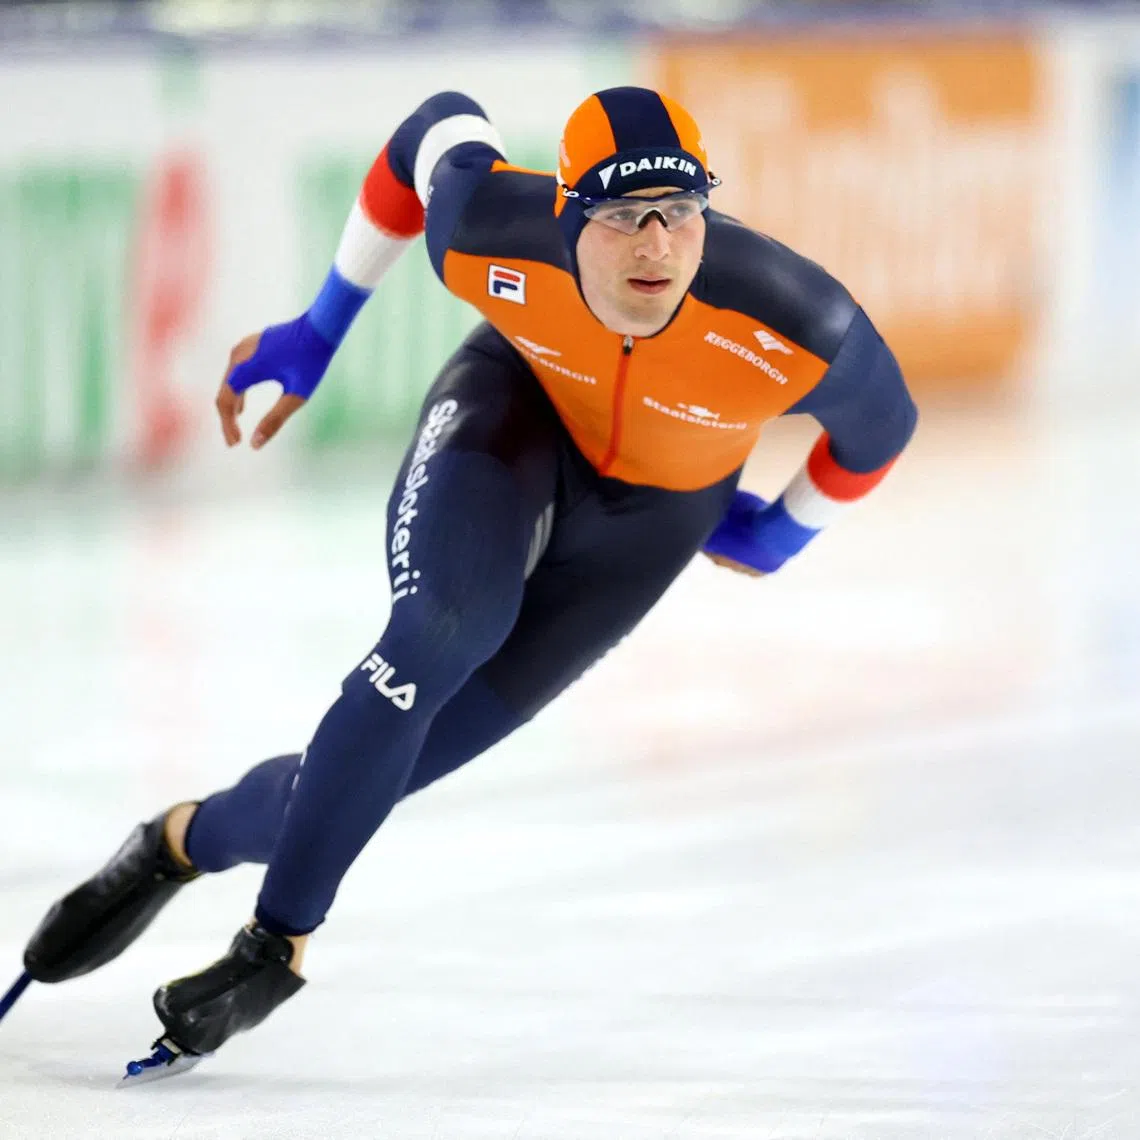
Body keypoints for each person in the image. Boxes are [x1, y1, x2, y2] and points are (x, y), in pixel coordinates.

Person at [19, 86, 917, 1065]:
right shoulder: (490, 225)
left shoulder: (799, 319)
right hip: (511, 416)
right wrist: (319, 329)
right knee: (442, 629)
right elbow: (434, 123)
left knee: (346, 793)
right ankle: (277, 948)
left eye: (679, 210)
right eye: (623, 214)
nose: (656, 244)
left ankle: (175, 843)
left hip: (649, 526)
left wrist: (782, 532)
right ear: (567, 214)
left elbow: (883, 429)